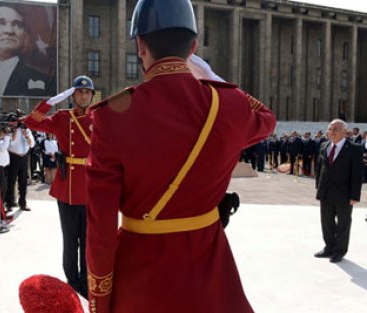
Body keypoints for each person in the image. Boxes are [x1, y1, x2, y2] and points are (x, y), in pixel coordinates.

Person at [84, 0, 276, 312]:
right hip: (211, 272)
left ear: (140, 45)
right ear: (194, 47)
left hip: (141, 277)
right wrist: (211, 76)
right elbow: (266, 118)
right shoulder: (227, 106)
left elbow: (101, 228)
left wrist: (100, 301)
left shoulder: (113, 116)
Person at [24, 75, 95, 298]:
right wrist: (52, 101)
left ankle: (85, 281)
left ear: (92, 95)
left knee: (88, 240)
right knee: (69, 239)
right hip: (68, 188)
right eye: (79, 92)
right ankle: (72, 281)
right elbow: (31, 121)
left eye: (87, 92)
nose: (83, 96)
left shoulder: (100, 117)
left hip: (92, 187)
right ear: (72, 95)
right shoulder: (62, 118)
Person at [314, 119, 363, 263]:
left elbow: (357, 174)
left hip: (344, 193)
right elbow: (319, 169)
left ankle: (340, 251)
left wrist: (355, 195)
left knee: (343, 223)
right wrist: (319, 187)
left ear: (344, 132)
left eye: (335, 129)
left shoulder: (354, 148)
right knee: (326, 221)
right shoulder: (324, 146)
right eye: (330, 129)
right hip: (326, 192)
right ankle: (329, 247)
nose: (331, 132)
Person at [5, 110, 35, 212]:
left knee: (23, 182)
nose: (14, 123)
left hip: (24, 157)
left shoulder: (27, 130)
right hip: (13, 156)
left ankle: (23, 203)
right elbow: (9, 144)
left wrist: (25, 135)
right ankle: (9, 203)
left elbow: (32, 144)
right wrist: (13, 132)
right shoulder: (9, 131)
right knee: (11, 181)